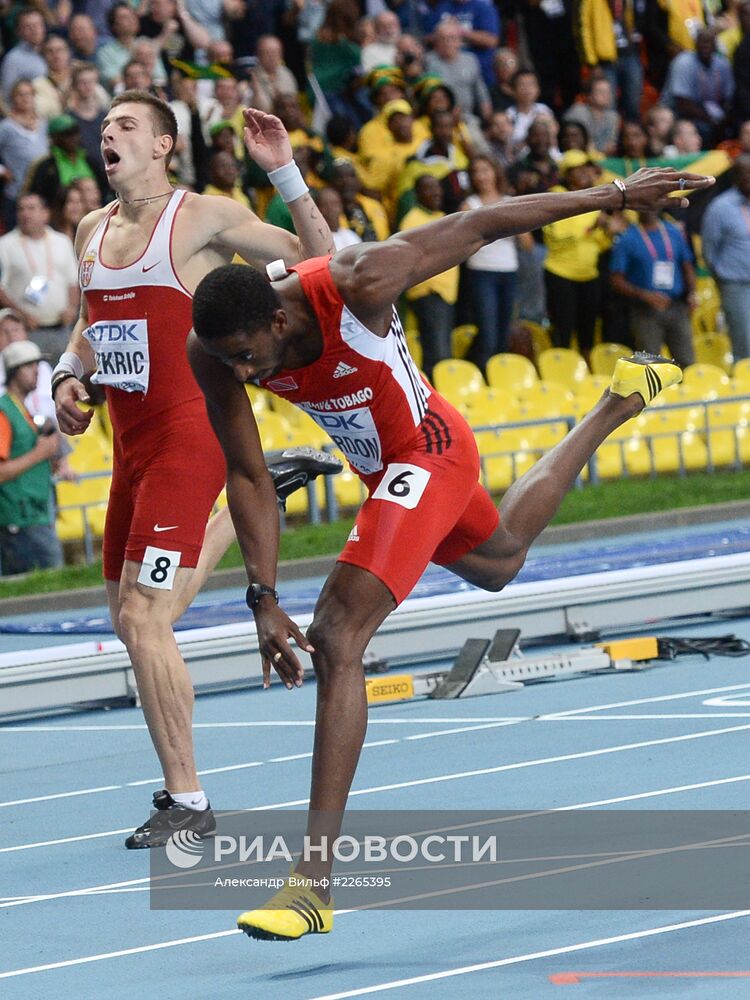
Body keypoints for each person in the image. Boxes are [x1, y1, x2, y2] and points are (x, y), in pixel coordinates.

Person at [188, 164, 713, 941]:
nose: (241, 372)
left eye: (247, 355)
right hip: (389, 472)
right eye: (227, 360)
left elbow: (483, 224)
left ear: (276, 320)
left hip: (428, 451)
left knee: (338, 636)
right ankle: (621, 399)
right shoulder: (214, 352)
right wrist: (262, 599)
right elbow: (247, 473)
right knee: (499, 562)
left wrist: (611, 196)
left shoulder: (360, 280)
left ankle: (312, 883)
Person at [53, 93, 337, 850]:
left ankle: (189, 800)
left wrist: (286, 176)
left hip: (190, 433)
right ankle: (259, 493)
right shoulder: (90, 229)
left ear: (165, 145)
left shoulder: (202, 219)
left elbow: (317, 259)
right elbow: (92, 322)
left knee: (147, 620)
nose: (107, 135)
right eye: (103, 126)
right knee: (134, 617)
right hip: (129, 445)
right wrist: (67, 377)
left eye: (125, 127)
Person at [461, 156, 531, 373]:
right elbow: (462, 242)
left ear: (495, 172)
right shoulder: (469, 204)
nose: (481, 176)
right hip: (481, 271)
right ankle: (481, 376)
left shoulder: (511, 201)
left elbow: (527, 244)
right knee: (488, 332)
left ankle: (496, 380)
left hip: (508, 271)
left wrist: (515, 223)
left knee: (503, 334)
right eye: (476, 172)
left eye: (486, 170)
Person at [0, 340, 63, 576]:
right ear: (14, 372)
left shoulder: (21, 409)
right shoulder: (4, 411)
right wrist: (40, 454)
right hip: (20, 522)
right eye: (28, 366)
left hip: (33, 515)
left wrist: (47, 461)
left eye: (37, 365)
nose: (36, 371)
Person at [610, 210, 697, 367]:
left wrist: (692, 293)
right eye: (644, 205)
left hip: (676, 305)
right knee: (650, 365)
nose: (649, 208)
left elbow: (687, 265)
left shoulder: (673, 232)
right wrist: (644, 295)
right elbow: (616, 281)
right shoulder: (627, 238)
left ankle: (687, 391)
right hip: (645, 309)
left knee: (687, 361)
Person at [0, 192, 79, 363]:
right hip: (27, 331)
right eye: (21, 209)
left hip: (62, 328)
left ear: (45, 213)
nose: (25, 213)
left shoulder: (62, 241)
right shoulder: (5, 245)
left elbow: (73, 282)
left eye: (31, 208)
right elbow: (1, 289)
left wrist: (72, 308)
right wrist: (21, 314)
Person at [399, 173, 459, 378]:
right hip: (429, 292)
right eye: (428, 188)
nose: (435, 192)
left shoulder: (442, 217)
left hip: (447, 295)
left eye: (437, 187)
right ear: (417, 194)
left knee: (442, 352)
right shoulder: (412, 220)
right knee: (438, 354)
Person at [701, 154, 750, 360]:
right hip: (736, 286)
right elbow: (709, 250)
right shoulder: (720, 207)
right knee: (745, 343)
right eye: (747, 174)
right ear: (736, 177)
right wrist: (723, 277)